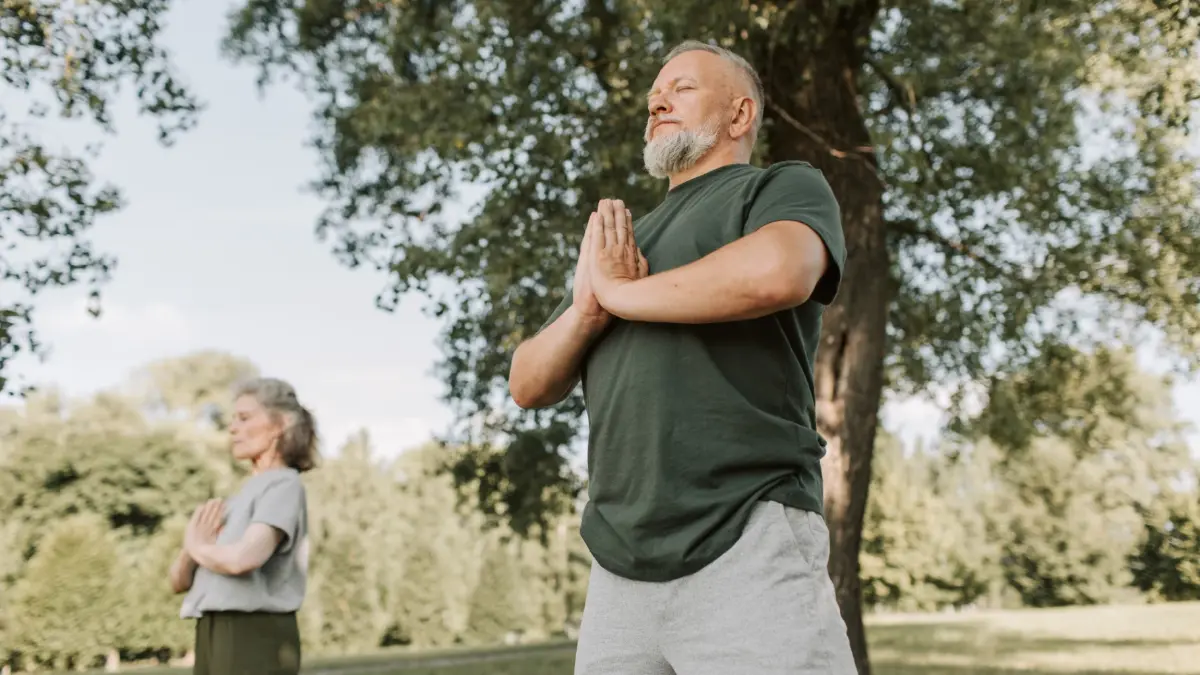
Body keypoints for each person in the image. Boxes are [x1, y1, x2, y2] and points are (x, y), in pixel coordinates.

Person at [509, 40, 856, 674]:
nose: (658, 101)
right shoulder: (622, 246)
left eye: (683, 88)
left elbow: (779, 272)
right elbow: (528, 383)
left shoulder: (781, 186)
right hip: (618, 564)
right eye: (653, 96)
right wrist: (591, 307)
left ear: (740, 114)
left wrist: (620, 292)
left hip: (747, 535)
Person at [168, 377, 318, 675]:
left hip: (254, 632)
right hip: (211, 628)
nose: (232, 427)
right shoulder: (238, 497)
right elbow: (177, 581)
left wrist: (197, 546)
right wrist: (194, 548)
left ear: (279, 426)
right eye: (232, 419)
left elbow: (243, 559)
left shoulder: (284, 485)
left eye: (244, 418)